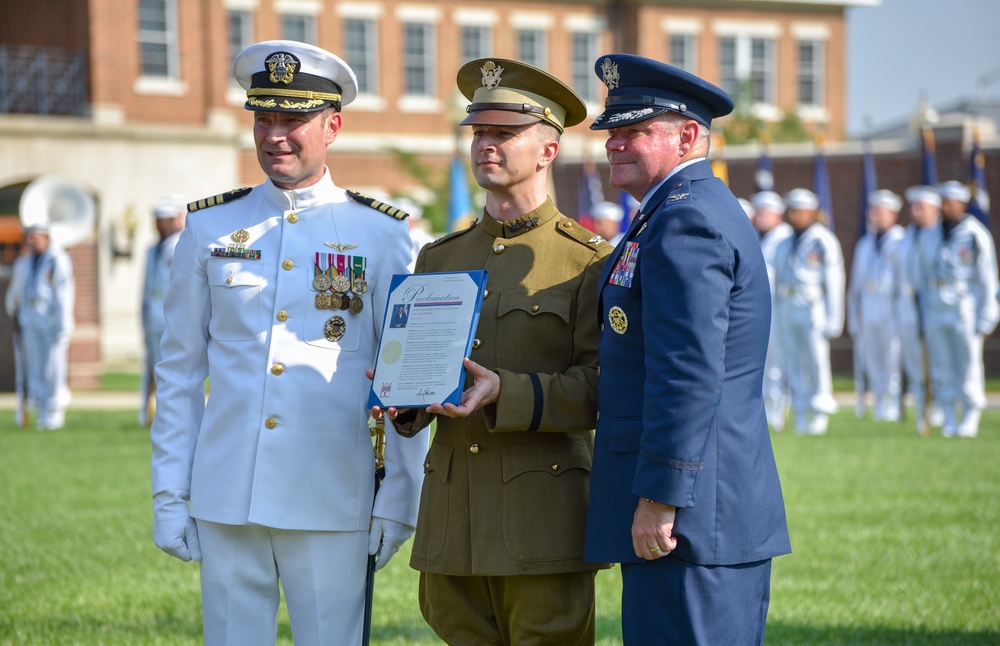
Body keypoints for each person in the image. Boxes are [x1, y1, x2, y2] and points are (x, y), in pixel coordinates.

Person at [149, 40, 428, 645]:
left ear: (332, 126)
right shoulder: (210, 226)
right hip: (227, 492)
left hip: (333, 494)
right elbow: (177, 372)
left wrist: (399, 498)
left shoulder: (380, 234)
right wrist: (170, 491)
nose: (275, 135)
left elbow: (405, 379)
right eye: (263, 118)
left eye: (293, 120)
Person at [378, 58, 613, 645]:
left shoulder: (588, 260)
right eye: (480, 132)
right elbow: (420, 379)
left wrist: (507, 392)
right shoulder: (439, 256)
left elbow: (603, 387)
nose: (486, 144)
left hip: (542, 522)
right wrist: (400, 397)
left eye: (505, 133)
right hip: (453, 522)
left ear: (548, 150)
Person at [583, 54, 790, 645]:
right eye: (612, 133)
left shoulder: (686, 221)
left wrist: (660, 497)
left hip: (692, 517)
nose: (615, 145)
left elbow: (688, 373)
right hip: (703, 509)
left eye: (636, 132)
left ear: (688, 136)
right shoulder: (677, 211)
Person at [915, 180, 999, 438]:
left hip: (965, 306)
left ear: (962, 204)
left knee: (968, 363)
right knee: (942, 364)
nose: (946, 206)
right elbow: (920, 273)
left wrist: (988, 314)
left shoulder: (975, 234)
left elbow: (986, 276)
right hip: (936, 304)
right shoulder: (929, 234)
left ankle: (971, 415)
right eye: (943, 201)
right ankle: (949, 417)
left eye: (951, 202)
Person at [772, 187, 845, 435]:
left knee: (816, 361)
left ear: (812, 213)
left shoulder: (823, 240)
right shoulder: (784, 241)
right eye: (791, 210)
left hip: (813, 306)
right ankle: (801, 409)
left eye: (799, 211)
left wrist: (835, 318)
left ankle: (820, 409)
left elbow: (834, 281)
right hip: (788, 306)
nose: (794, 215)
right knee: (793, 361)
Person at [4, 223, 75, 430]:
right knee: (35, 368)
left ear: (46, 237)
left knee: (53, 368)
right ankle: (41, 412)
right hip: (30, 321)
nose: (32, 241)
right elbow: (16, 293)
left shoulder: (57, 260)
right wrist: (15, 314)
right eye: (29, 236)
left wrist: (64, 324)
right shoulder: (25, 262)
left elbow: (63, 294)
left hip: (51, 322)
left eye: (36, 236)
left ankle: (54, 412)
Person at [847, 189, 905, 422]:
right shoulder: (865, 244)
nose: (874, 216)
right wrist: (854, 316)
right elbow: (855, 285)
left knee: (892, 360)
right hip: (869, 309)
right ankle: (880, 401)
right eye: (873, 211)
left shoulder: (901, 242)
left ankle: (892, 403)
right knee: (873, 360)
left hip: (891, 310)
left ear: (893, 214)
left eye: (880, 211)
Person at [895, 185, 942, 434]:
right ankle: (922, 411)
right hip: (906, 307)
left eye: (921, 207)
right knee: (915, 364)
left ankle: (939, 410)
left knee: (938, 363)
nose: (916, 212)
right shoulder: (904, 238)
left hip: (934, 307)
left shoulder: (940, 237)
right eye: (914, 207)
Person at [138, 195, 186, 427]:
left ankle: (172, 416)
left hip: (172, 318)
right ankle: (151, 414)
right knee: (153, 367)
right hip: (152, 317)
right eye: (158, 220)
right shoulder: (152, 249)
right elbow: (146, 289)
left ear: (179, 217)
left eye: (166, 219)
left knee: (172, 369)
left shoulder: (181, 243)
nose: (161, 225)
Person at [751, 190, 794, 431]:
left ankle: (779, 412)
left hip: (780, 307)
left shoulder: (786, 238)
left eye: (766, 212)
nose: (761, 216)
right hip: (757, 308)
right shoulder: (754, 235)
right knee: (762, 364)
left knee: (778, 365)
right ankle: (765, 412)